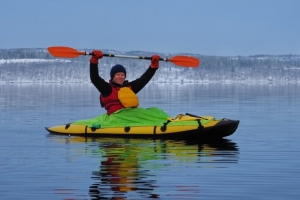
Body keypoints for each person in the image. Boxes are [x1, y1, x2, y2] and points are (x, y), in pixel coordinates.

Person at [89, 50, 160, 115]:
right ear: (113, 77)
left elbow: (143, 80)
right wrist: (94, 61)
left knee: (155, 111)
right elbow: (95, 78)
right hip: (116, 119)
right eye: (117, 75)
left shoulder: (130, 88)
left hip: (132, 117)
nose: (120, 77)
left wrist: (153, 67)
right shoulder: (107, 89)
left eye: (122, 75)